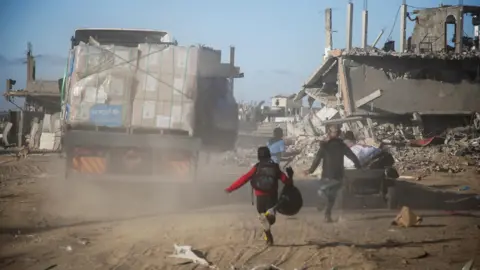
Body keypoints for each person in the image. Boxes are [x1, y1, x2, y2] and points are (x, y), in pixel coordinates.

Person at [225, 146, 291, 245]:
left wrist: (231, 188)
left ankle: (267, 234)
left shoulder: (257, 167)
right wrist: (290, 179)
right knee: (271, 219)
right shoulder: (275, 167)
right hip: (272, 196)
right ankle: (269, 215)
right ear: (269, 154)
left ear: (258, 156)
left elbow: (244, 178)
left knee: (262, 216)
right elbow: (285, 180)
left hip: (260, 196)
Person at [303, 125, 362, 223]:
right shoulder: (342, 145)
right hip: (338, 175)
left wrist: (310, 170)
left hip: (326, 174)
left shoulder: (324, 146)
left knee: (327, 191)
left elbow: (317, 159)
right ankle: (327, 214)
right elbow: (352, 156)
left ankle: (322, 197)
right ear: (339, 134)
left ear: (329, 134)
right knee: (332, 196)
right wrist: (359, 166)